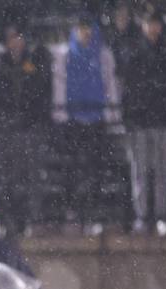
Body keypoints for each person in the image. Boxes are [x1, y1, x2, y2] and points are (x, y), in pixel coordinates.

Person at [52, 11, 119, 234]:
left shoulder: (103, 54)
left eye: (88, 27)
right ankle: (72, 212)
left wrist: (111, 113)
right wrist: (60, 113)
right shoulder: (65, 54)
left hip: (97, 118)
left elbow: (110, 83)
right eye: (81, 28)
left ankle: (92, 213)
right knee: (72, 168)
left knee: (95, 169)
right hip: (73, 120)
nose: (85, 32)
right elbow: (60, 83)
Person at [122, 7, 166, 235]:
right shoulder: (133, 56)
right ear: (143, 26)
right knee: (139, 171)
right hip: (140, 123)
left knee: (162, 171)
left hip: (164, 122)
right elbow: (127, 91)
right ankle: (141, 215)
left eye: (156, 23)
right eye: (149, 24)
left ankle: (161, 215)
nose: (153, 28)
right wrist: (129, 118)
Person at [0, 22, 52, 235]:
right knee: (9, 178)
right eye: (13, 39)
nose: (17, 43)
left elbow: (41, 95)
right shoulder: (0, 67)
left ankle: (34, 219)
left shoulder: (34, 64)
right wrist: (4, 123)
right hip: (8, 131)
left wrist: (34, 120)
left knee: (33, 177)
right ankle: (11, 220)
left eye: (20, 38)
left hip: (30, 129)